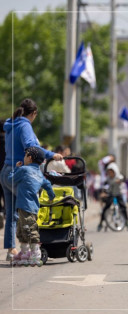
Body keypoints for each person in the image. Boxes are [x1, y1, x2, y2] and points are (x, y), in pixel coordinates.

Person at [1, 99, 62, 261]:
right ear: (33, 113)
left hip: (6, 172)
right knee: (28, 209)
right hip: (21, 172)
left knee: (11, 214)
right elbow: (31, 147)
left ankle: (11, 249)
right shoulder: (25, 125)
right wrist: (51, 154)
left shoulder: (10, 123)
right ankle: (32, 250)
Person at [9, 147, 55, 266]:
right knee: (23, 229)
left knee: (28, 230)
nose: (24, 158)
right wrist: (51, 195)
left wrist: (16, 168)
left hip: (24, 205)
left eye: (25, 155)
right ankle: (25, 252)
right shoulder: (39, 173)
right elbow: (48, 184)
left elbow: (10, 180)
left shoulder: (23, 170)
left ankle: (35, 254)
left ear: (29, 158)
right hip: (32, 207)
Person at [98, 163, 128, 231]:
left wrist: (120, 180)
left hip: (118, 194)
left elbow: (123, 178)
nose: (110, 173)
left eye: (111, 172)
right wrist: (103, 193)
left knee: (123, 207)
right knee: (105, 208)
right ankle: (101, 223)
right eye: (109, 172)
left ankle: (127, 223)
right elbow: (104, 187)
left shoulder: (118, 177)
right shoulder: (108, 179)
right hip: (111, 194)